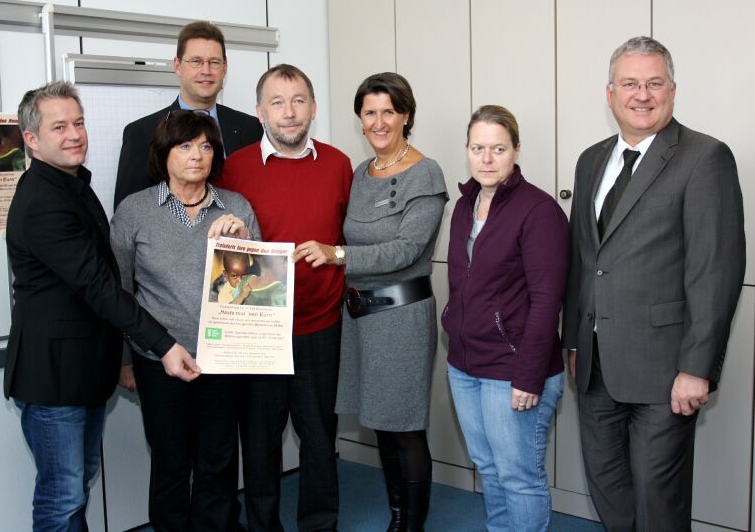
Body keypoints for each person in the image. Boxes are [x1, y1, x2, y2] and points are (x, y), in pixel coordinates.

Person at [562, 36, 746, 531]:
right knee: (609, 492)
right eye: (629, 84)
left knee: (658, 504)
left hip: (665, 372)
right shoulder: (590, 160)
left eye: (654, 83)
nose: (641, 95)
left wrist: (697, 368)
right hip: (595, 367)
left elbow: (716, 272)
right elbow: (583, 261)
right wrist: (574, 341)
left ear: (673, 90)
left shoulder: (705, 158)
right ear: (610, 94)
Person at [4, 81, 199, 531]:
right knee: (62, 497)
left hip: (82, 371)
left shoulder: (72, 184)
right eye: (59, 127)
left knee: (76, 486)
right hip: (52, 379)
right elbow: (100, 287)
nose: (74, 134)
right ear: (31, 139)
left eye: (78, 122)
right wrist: (164, 346)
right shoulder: (43, 202)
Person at [296, 72, 448, 532]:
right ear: (359, 119)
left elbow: (407, 250)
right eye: (369, 113)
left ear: (406, 116)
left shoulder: (425, 172)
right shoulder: (361, 173)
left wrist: (338, 255)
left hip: (402, 318)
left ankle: (411, 526)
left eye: (389, 112)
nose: (379, 122)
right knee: (382, 422)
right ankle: (397, 515)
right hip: (361, 317)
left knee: (406, 428)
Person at [111, 110, 260, 532]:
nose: (197, 155)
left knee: (218, 464)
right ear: (164, 153)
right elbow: (119, 292)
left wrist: (244, 244)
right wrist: (124, 360)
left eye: (206, 146)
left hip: (223, 359)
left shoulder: (237, 208)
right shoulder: (134, 211)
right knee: (170, 464)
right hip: (160, 361)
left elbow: (261, 288)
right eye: (185, 145)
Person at [219, 64, 352, 532]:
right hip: (257, 331)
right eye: (277, 102)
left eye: (298, 101)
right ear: (259, 112)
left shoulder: (339, 165)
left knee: (319, 438)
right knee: (259, 443)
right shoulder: (232, 169)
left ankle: (319, 525)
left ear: (313, 108)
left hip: (320, 325)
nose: (289, 112)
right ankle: (263, 526)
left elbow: (348, 241)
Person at [443, 105, 568, 532]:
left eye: (498, 149)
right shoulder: (465, 205)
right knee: (489, 468)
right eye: (477, 148)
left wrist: (529, 377)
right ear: (467, 150)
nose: (487, 159)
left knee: (518, 477)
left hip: (514, 368)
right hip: (465, 364)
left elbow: (547, 301)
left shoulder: (539, 210)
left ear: (516, 150)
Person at [114, 20, 262, 209]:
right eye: (196, 61)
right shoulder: (142, 133)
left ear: (224, 68)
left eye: (214, 62)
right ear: (177, 66)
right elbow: (128, 212)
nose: (206, 71)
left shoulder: (251, 128)